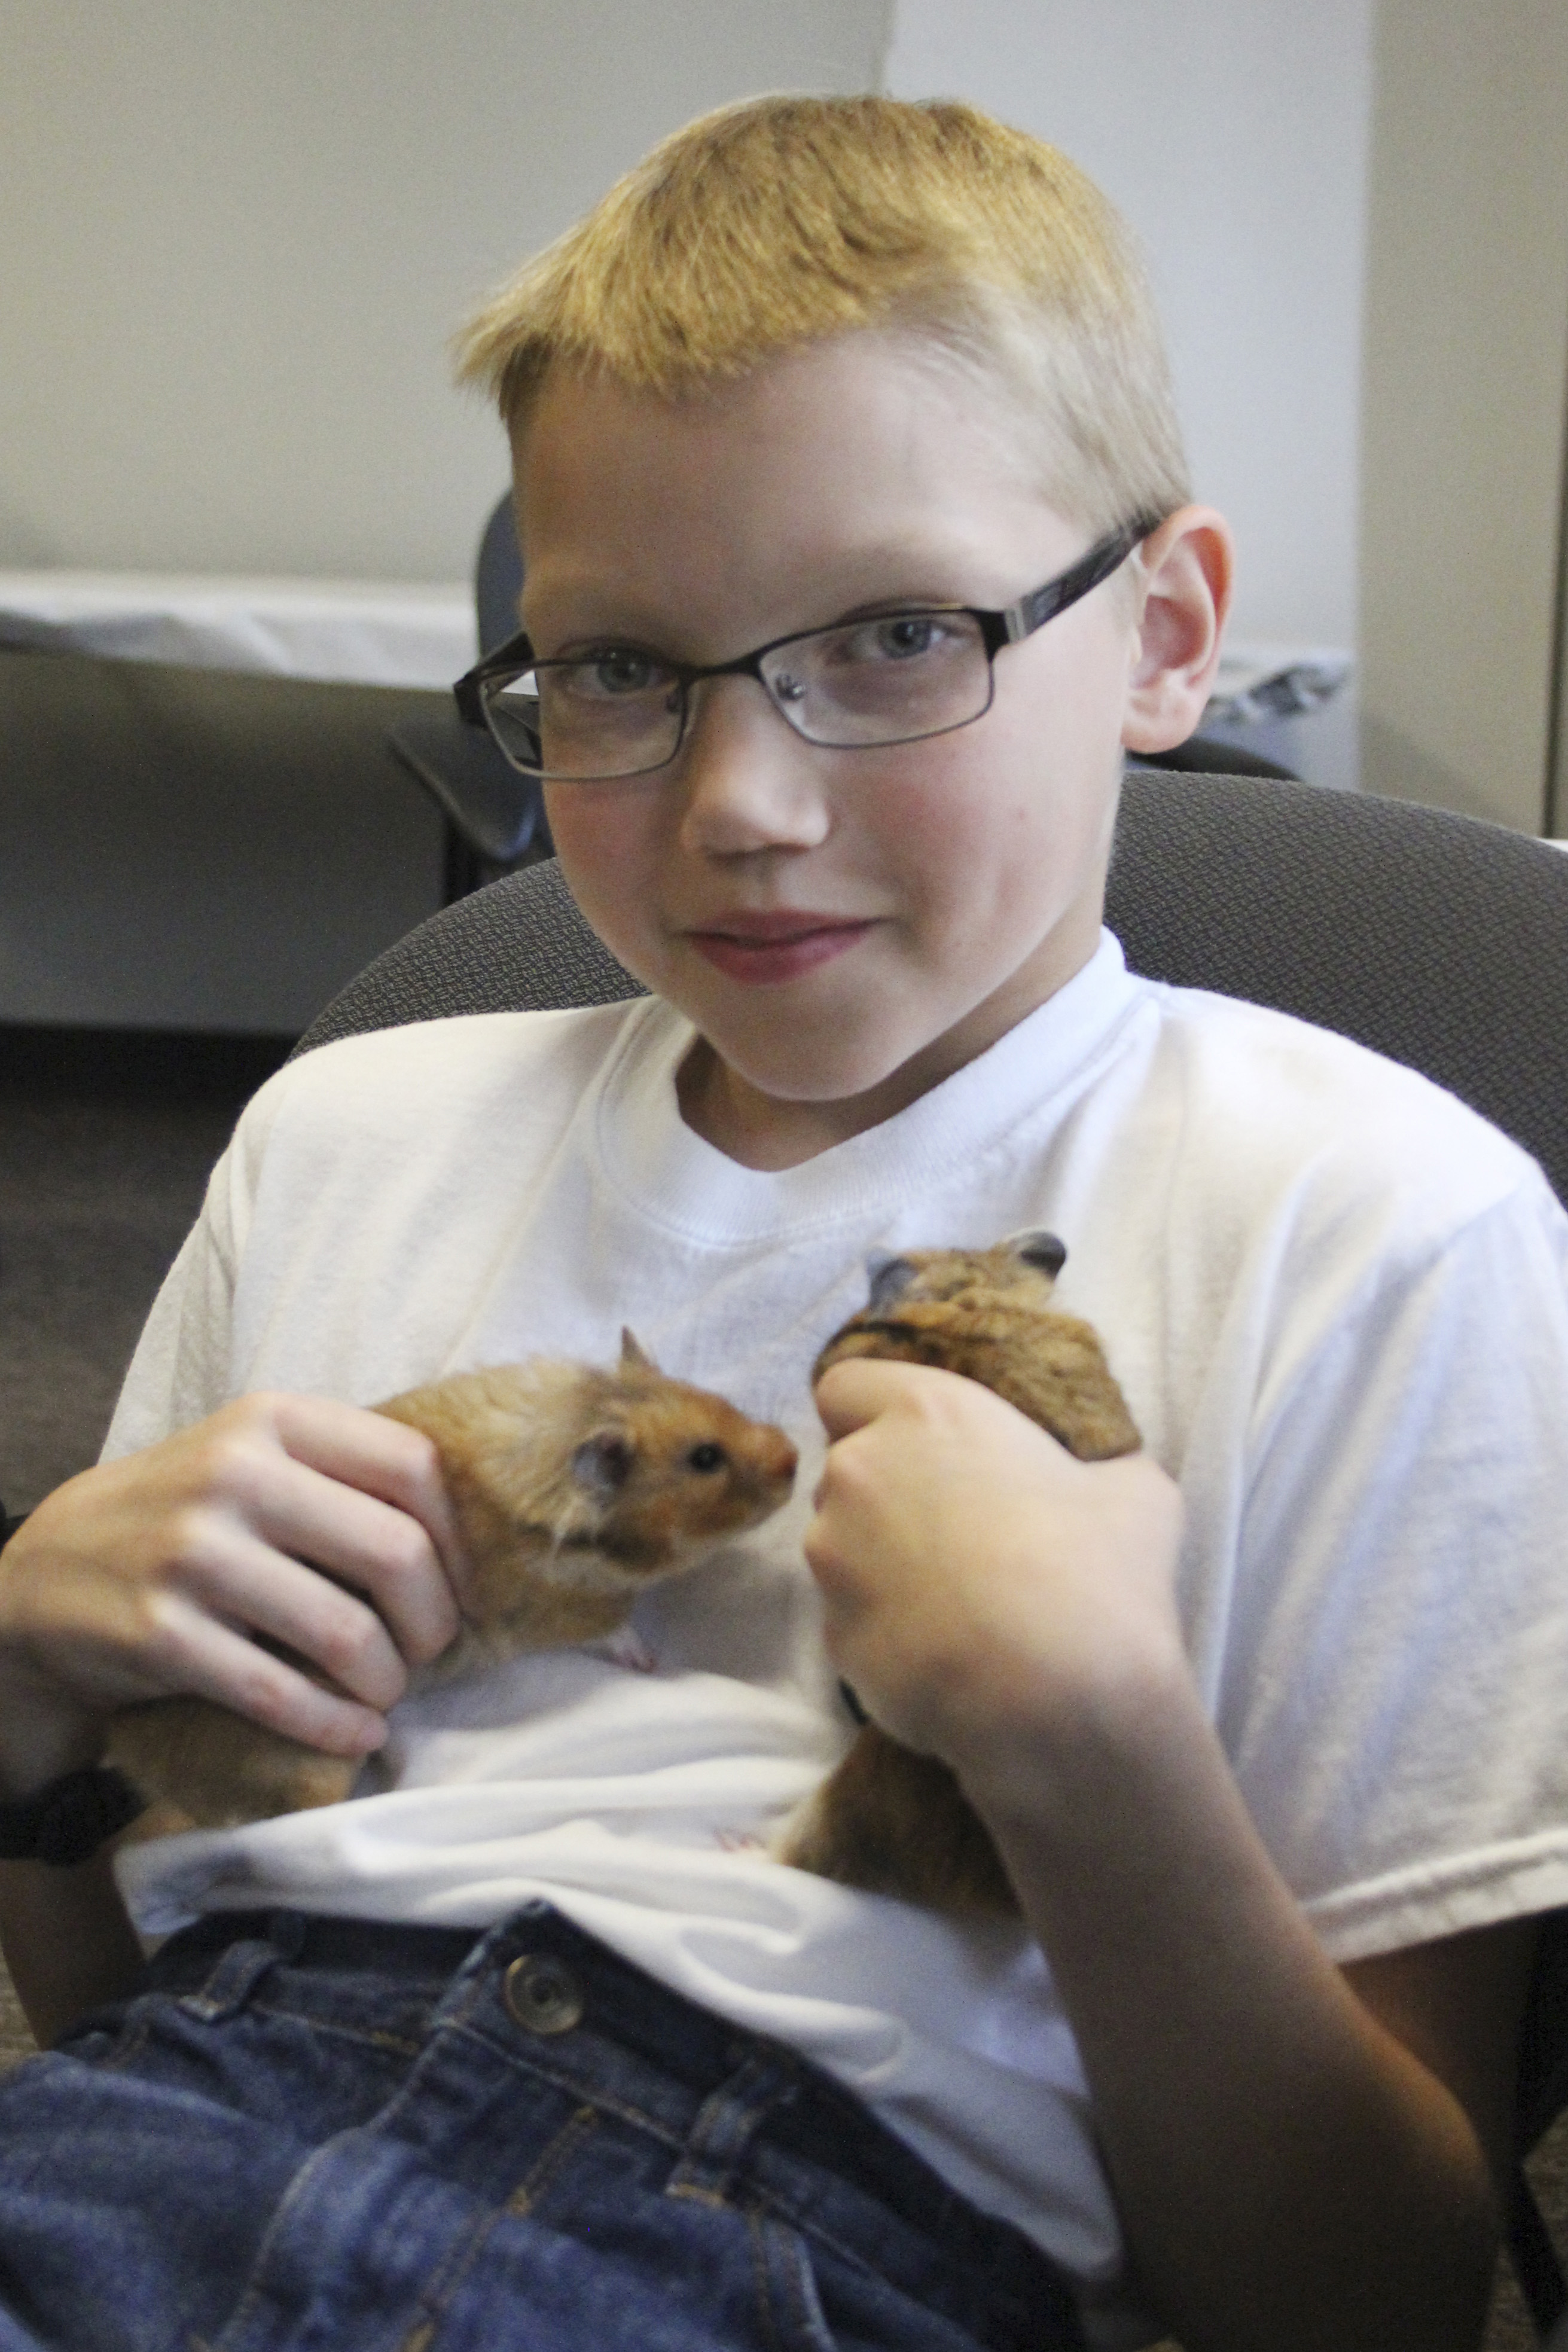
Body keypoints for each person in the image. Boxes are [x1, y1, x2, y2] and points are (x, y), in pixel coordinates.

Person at [0, 93, 1566, 2352]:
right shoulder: (344, 1137)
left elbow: (1364, 2299)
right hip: (172, 2125)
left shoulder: (1381, 1233)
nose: (740, 805)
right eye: (619, 671)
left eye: (901, 634)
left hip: (828, 2242)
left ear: (1161, 633)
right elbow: (104, 1992)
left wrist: (1095, 1755)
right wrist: (33, 1699)